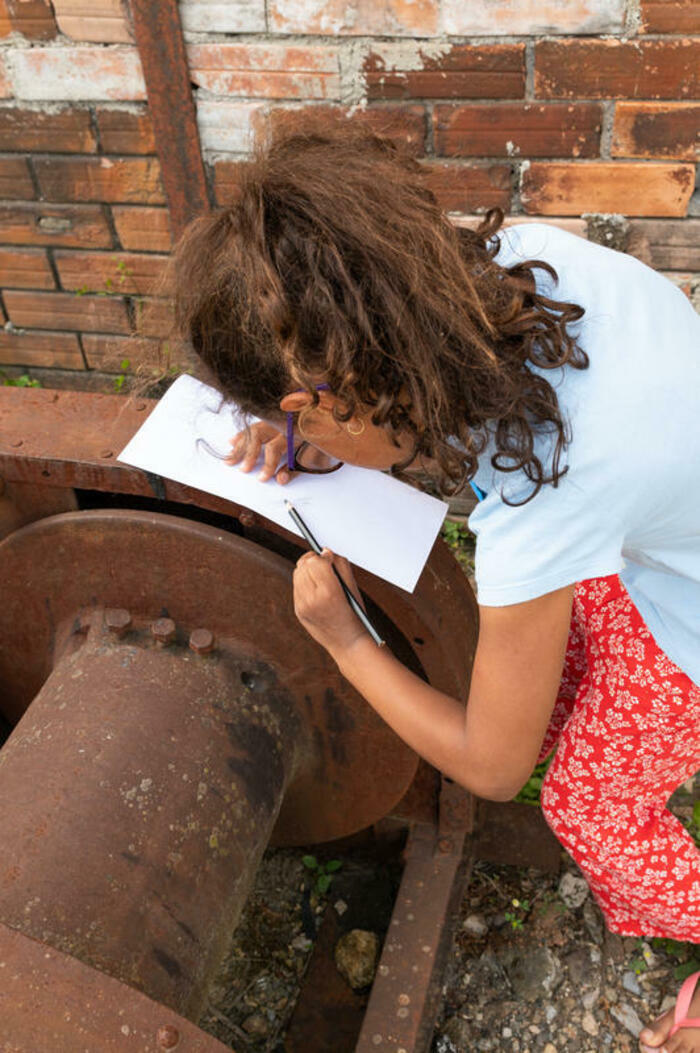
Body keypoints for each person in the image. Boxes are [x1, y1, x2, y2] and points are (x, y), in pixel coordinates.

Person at [166, 113, 700, 1053]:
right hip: (664, 529)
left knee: (582, 796)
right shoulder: (515, 265)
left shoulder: (552, 495)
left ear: (326, 391)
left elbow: (493, 768)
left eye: (315, 426)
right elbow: (433, 421)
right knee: (555, 683)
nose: (318, 448)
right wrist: (316, 440)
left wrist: (346, 641)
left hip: (679, 601)